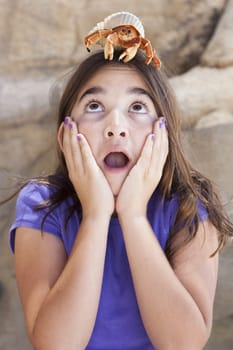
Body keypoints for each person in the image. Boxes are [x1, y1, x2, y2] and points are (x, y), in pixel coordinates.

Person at [7, 47, 233, 350]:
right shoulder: (41, 204)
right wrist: (96, 216)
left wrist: (135, 216)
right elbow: (57, 344)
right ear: (65, 137)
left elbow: (183, 343)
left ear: (163, 134)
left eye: (137, 107)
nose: (116, 127)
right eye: (95, 106)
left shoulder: (189, 206)